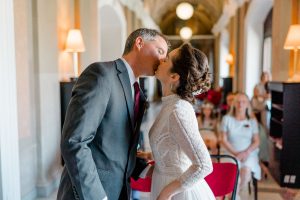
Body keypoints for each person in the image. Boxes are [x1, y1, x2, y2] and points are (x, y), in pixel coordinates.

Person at [57, 28, 169, 200]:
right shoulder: (101, 74)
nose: (162, 60)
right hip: (89, 193)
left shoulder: (138, 92)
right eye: (160, 51)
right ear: (139, 43)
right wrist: (97, 197)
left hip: (119, 191)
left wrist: (145, 169)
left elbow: (117, 149)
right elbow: (75, 142)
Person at [148, 43, 215, 200]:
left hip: (179, 193)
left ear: (174, 76)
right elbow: (175, 145)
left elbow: (204, 165)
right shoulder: (170, 104)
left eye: (167, 59)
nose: (161, 59)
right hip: (164, 182)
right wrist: (155, 154)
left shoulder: (178, 111)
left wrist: (166, 193)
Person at [220, 92, 261, 199]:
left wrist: (246, 153)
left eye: (243, 102)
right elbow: (223, 140)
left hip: (249, 154)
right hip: (230, 152)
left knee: (246, 171)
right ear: (233, 103)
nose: (240, 104)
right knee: (234, 173)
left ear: (247, 104)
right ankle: (234, 196)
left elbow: (256, 141)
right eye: (238, 102)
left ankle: (234, 195)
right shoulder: (226, 119)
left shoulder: (252, 121)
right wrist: (236, 153)